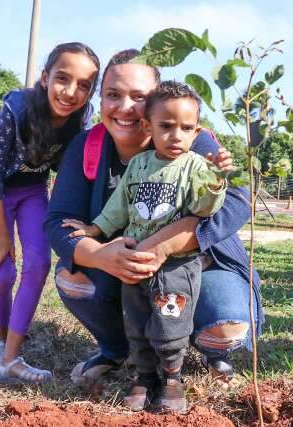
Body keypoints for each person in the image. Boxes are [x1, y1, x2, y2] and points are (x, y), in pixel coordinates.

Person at [44, 49, 262, 405]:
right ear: (101, 98)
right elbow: (57, 221)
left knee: (225, 329)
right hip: (124, 271)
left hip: (194, 265)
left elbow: (237, 202)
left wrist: (164, 244)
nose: (126, 107)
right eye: (113, 95)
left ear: (158, 101)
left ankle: (199, 352)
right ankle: (119, 350)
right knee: (74, 280)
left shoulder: (191, 140)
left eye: (139, 97)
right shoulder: (88, 145)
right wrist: (99, 254)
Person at [64, 81, 226, 412]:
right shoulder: (139, 165)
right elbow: (120, 206)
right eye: (166, 126)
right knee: (137, 322)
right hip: (135, 262)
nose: (176, 135)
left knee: (170, 323)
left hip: (176, 265)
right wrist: (95, 228)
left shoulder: (197, 166)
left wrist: (215, 180)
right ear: (148, 126)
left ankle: (172, 379)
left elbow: (206, 209)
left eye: (186, 128)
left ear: (197, 132)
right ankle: (143, 378)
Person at [0, 42, 100, 384]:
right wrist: (0, 235)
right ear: (45, 77)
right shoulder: (17, 108)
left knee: (39, 263)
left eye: (84, 85)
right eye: (62, 78)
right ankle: (0, 344)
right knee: (2, 273)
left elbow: (67, 171)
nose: (71, 92)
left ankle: (11, 357)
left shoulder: (80, 119)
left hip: (32, 191)